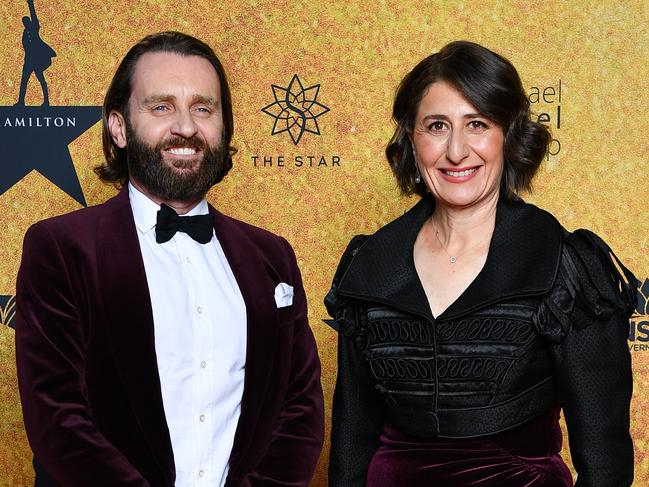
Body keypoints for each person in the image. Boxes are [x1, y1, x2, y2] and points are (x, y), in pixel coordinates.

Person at [16, 31, 324, 487]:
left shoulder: (271, 256)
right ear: (118, 127)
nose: (185, 127)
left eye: (203, 108)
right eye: (161, 107)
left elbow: (299, 411)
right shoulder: (61, 249)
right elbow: (57, 419)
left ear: (224, 127)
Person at [325, 41, 635, 487]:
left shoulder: (563, 264)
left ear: (508, 134)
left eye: (477, 124)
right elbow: (352, 444)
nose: (456, 151)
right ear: (411, 138)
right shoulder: (369, 264)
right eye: (436, 126)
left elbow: (604, 457)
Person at [15, 0, 56, 106]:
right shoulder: (24, 33)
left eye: (27, 21)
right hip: (28, 61)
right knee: (24, 81)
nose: (25, 23)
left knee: (41, 80)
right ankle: (21, 102)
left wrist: (30, 4)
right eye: (24, 22)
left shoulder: (34, 28)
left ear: (29, 22)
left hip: (37, 60)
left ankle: (46, 101)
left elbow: (33, 15)